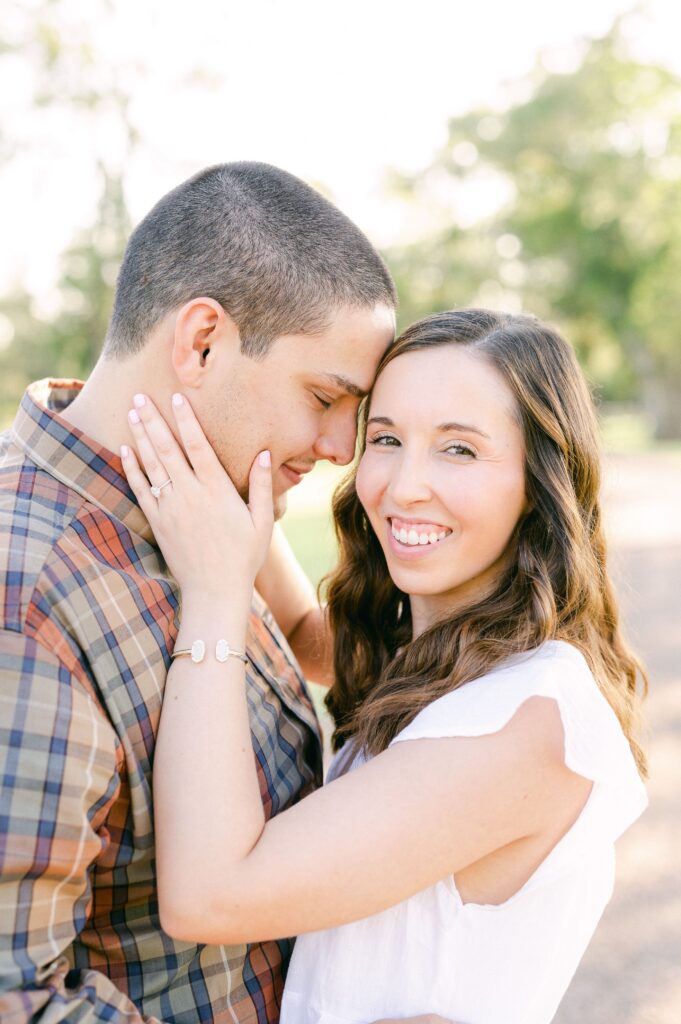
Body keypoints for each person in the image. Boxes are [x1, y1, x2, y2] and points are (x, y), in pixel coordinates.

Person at [122, 309, 649, 1024]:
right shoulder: (443, 653)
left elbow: (210, 897)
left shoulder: (525, 720)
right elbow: (306, 633)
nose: (404, 487)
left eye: (458, 450)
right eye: (387, 439)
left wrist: (215, 596)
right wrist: (239, 466)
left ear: (540, 481)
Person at [0, 161, 410, 1022]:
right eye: (324, 396)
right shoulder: (25, 596)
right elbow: (19, 997)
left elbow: (314, 641)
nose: (341, 446)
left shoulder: (203, 507)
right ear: (202, 344)